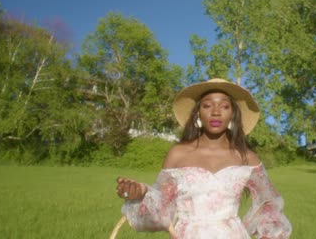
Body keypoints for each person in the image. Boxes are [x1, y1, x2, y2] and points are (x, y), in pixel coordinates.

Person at [116, 78, 292, 238]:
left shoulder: (247, 157)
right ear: (197, 113)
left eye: (224, 106)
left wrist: (270, 233)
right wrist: (140, 193)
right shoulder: (178, 154)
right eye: (207, 105)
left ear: (233, 114)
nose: (216, 112)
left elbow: (268, 203)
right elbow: (162, 207)